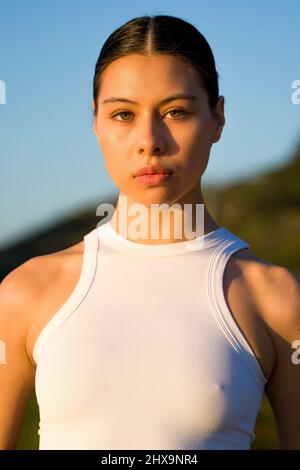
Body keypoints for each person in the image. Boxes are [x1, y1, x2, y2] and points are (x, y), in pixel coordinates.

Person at [0, 14, 299, 451]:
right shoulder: (27, 293)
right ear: (96, 122)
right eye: (123, 114)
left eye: (176, 111)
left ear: (217, 118)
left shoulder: (275, 299)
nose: (149, 140)